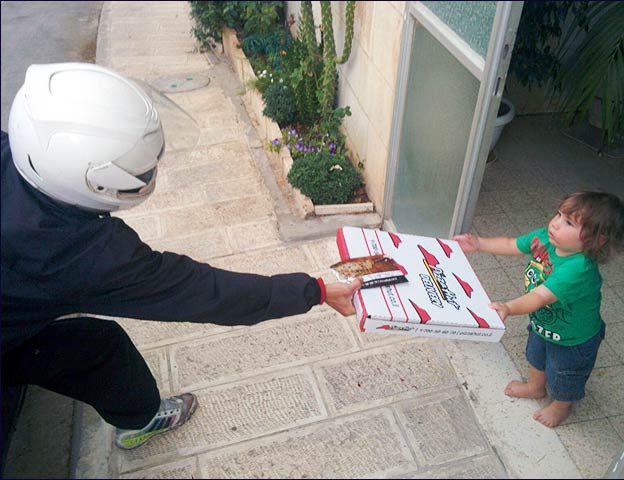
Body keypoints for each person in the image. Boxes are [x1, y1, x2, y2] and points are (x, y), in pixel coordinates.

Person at [0, 63, 361, 450]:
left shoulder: (21, 151)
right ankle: (143, 419)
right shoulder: (78, 252)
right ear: (90, 180)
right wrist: (316, 290)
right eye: (139, 174)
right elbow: (203, 292)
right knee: (98, 348)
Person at [454, 191, 624, 428]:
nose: (555, 223)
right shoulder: (545, 239)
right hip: (543, 324)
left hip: (573, 340)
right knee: (536, 356)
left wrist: (508, 307)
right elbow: (510, 244)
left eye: (568, 222)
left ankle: (561, 406)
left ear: (597, 240)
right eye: (558, 214)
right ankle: (536, 387)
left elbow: (539, 296)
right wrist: (478, 243)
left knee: (565, 374)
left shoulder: (578, 269)